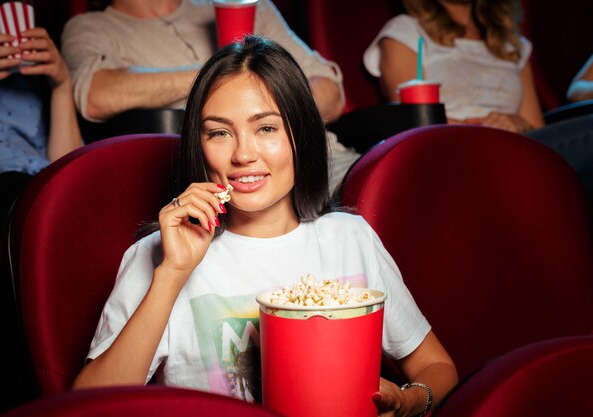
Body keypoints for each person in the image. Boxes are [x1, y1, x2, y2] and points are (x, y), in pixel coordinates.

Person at [71, 36, 458, 416]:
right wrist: (173, 273)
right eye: (219, 132)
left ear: (301, 136)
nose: (243, 154)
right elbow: (88, 408)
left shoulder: (349, 238)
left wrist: (409, 403)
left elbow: (437, 368)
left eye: (267, 128)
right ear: (199, 145)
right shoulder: (158, 256)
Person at [61, 0, 359, 194]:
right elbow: (95, 95)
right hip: (231, 186)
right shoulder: (90, 28)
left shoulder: (247, 5)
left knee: (390, 183)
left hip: (324, 161)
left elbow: (330, 95)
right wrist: (227, 73)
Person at [0, 0, 83, 238]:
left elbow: (66, 162)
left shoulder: (13, 15)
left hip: (38, 181)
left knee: (81, 196)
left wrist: (61, 83)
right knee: (40, 205)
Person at [363, 0, 545, 134]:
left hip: (517, 150)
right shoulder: (406, 32)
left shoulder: (512, 45)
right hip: (450, 150)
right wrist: (484, 130)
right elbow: (414, 123)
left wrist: (518, 125)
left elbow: (538, 130)